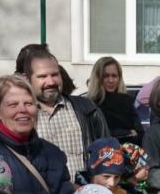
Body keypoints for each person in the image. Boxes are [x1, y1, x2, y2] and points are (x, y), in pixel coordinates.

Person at [25, 48, 109, 177]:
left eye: (55, 75)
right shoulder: (22, 115)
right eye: (42, 76)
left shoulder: (86, 109)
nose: (51, 82)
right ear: (27, 79)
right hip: (41, 189)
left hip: (84, 189)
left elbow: (107, 154)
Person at [86, 57, 144, 143]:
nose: (111, 80)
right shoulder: (90, 105)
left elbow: (140, 133)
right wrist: (128, 133)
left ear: (119, 78)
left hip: (128, 150)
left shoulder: (127, 102)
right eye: (106, 76)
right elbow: (96, 134)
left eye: (114, 76)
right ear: (98, 78)